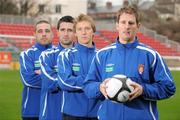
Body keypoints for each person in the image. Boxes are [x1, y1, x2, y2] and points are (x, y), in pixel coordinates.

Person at [83, 6, 176, 120]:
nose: (127, 26)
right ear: (117, 25)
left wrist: (143, 90)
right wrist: (99, 87)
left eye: (131, 23)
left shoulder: (151, 55)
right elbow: (87, 86)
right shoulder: (102, 55)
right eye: (123, 22)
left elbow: (169, 87)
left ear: (138, 26)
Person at [57, 14, 101, 120]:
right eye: (80, 29)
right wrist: (93, 82)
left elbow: (106, 82)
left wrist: (78, 79)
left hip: (96, 113)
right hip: (72, 114)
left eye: (87, 28)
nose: (84, 32)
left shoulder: (102, 56)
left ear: (93, 31)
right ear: (75, 33)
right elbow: (64, 82)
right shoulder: (66, 55)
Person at [39, 16, 75, 120]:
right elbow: (49, 84)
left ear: (75, 33)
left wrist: (61, 79)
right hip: (51, 114)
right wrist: (74, 80)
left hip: (74, 114)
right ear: (57, 32)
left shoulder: (80, 56)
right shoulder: (46, 55)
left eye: (70, 30)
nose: (66, 34)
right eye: (63, 30)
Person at [19, 20, 54, 120]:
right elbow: (28, 80)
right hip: (32, 111)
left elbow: (66, 79)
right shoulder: (27, 55)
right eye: (40, 31)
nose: (43, 34)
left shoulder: (61, 54)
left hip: (54, 110)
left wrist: (42, 73)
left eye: (47, 31)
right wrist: (54, 75)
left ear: (52, 34)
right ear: (34, 34)